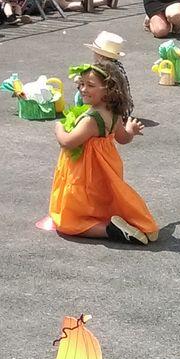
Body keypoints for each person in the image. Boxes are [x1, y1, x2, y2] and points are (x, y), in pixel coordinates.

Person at [40, 61, 155, 243]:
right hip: (105, 170)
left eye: (90, 85)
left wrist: (58, 128)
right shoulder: (115, 114)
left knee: (68, 221)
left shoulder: (91, 120)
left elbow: (68, 142)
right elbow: (123, 138)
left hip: (86, 172)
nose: (83, 89)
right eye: (81, 84)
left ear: (108, 90)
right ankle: (135, 225)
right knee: (100, 201)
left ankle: (110, 230)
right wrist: (131, 130)